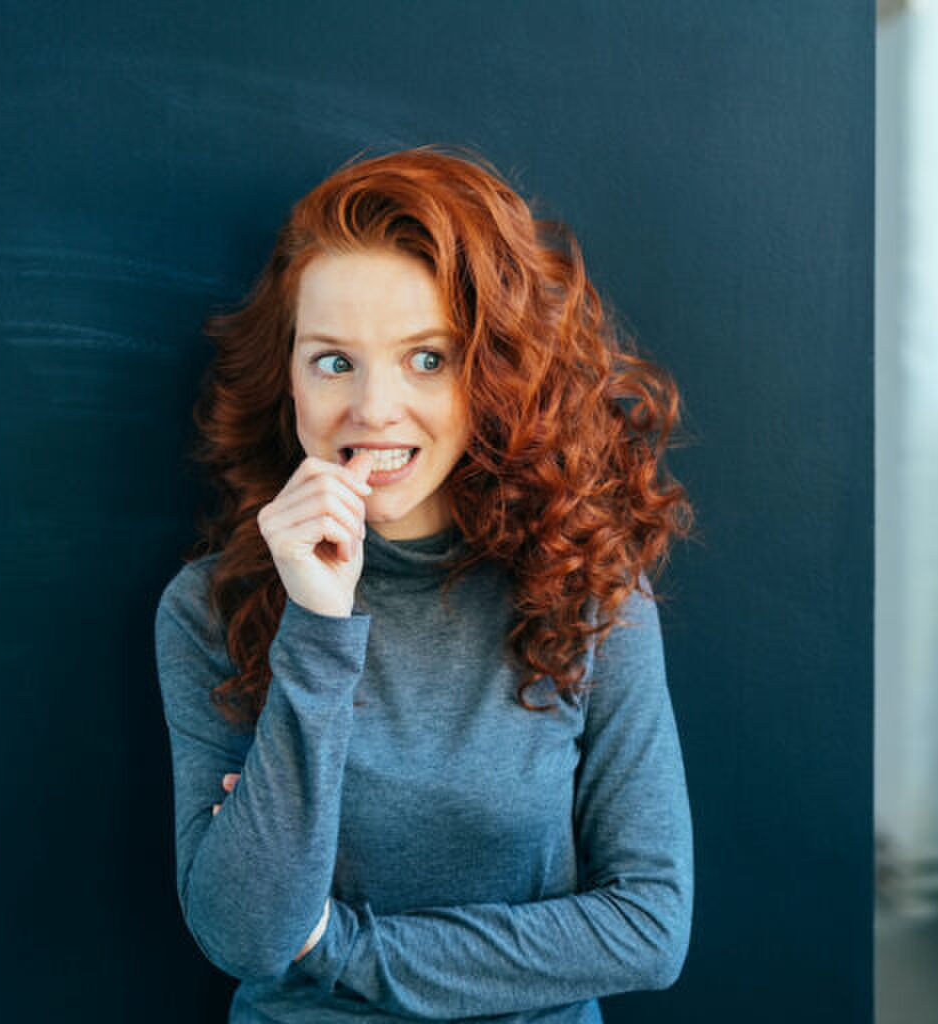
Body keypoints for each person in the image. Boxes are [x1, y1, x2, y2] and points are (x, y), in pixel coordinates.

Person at [153, 146, 694, 1023]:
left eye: (427, 359)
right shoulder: (206, 608)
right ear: (286, 374)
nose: (373, 409)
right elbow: (248, 936)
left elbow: (648, 927)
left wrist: (338, 948)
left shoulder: (589, 591)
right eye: (334, 361)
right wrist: (318, 625)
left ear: (490, 375)